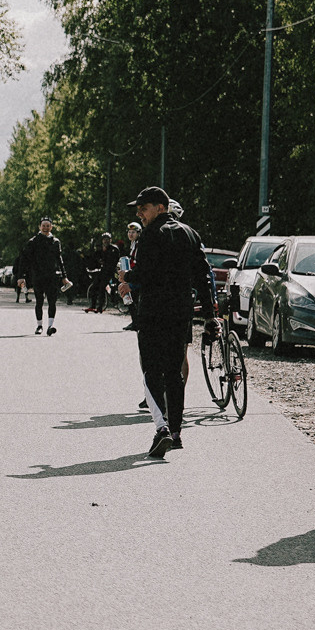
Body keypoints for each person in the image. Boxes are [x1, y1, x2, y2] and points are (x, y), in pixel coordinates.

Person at [126, 187, 216, 459]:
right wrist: (210, 315)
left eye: (144, 208)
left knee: (151, 370)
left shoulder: (151, 235)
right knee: (174, 373)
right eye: (138, 210)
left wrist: (126, 277)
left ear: (161, 208)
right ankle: (176, 433)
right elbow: (203, 276)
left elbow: (145, 274)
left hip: (153, 312)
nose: (140, 214)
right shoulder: (191, 234)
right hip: (181, 313)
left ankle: (161, 427)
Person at [23, 217, 67, 335]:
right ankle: (39, 325)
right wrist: (22, 276)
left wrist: (64, 276)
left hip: (52, 276)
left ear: (51, 227)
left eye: (48, 226)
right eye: (43, 226)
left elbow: (59, 260)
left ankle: (50, 326)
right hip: (38, 276)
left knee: (52, 301)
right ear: (40, 227)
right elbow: (25, 259)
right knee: (39, 301)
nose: (45, 228)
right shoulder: (33, 241)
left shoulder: (55, 242)